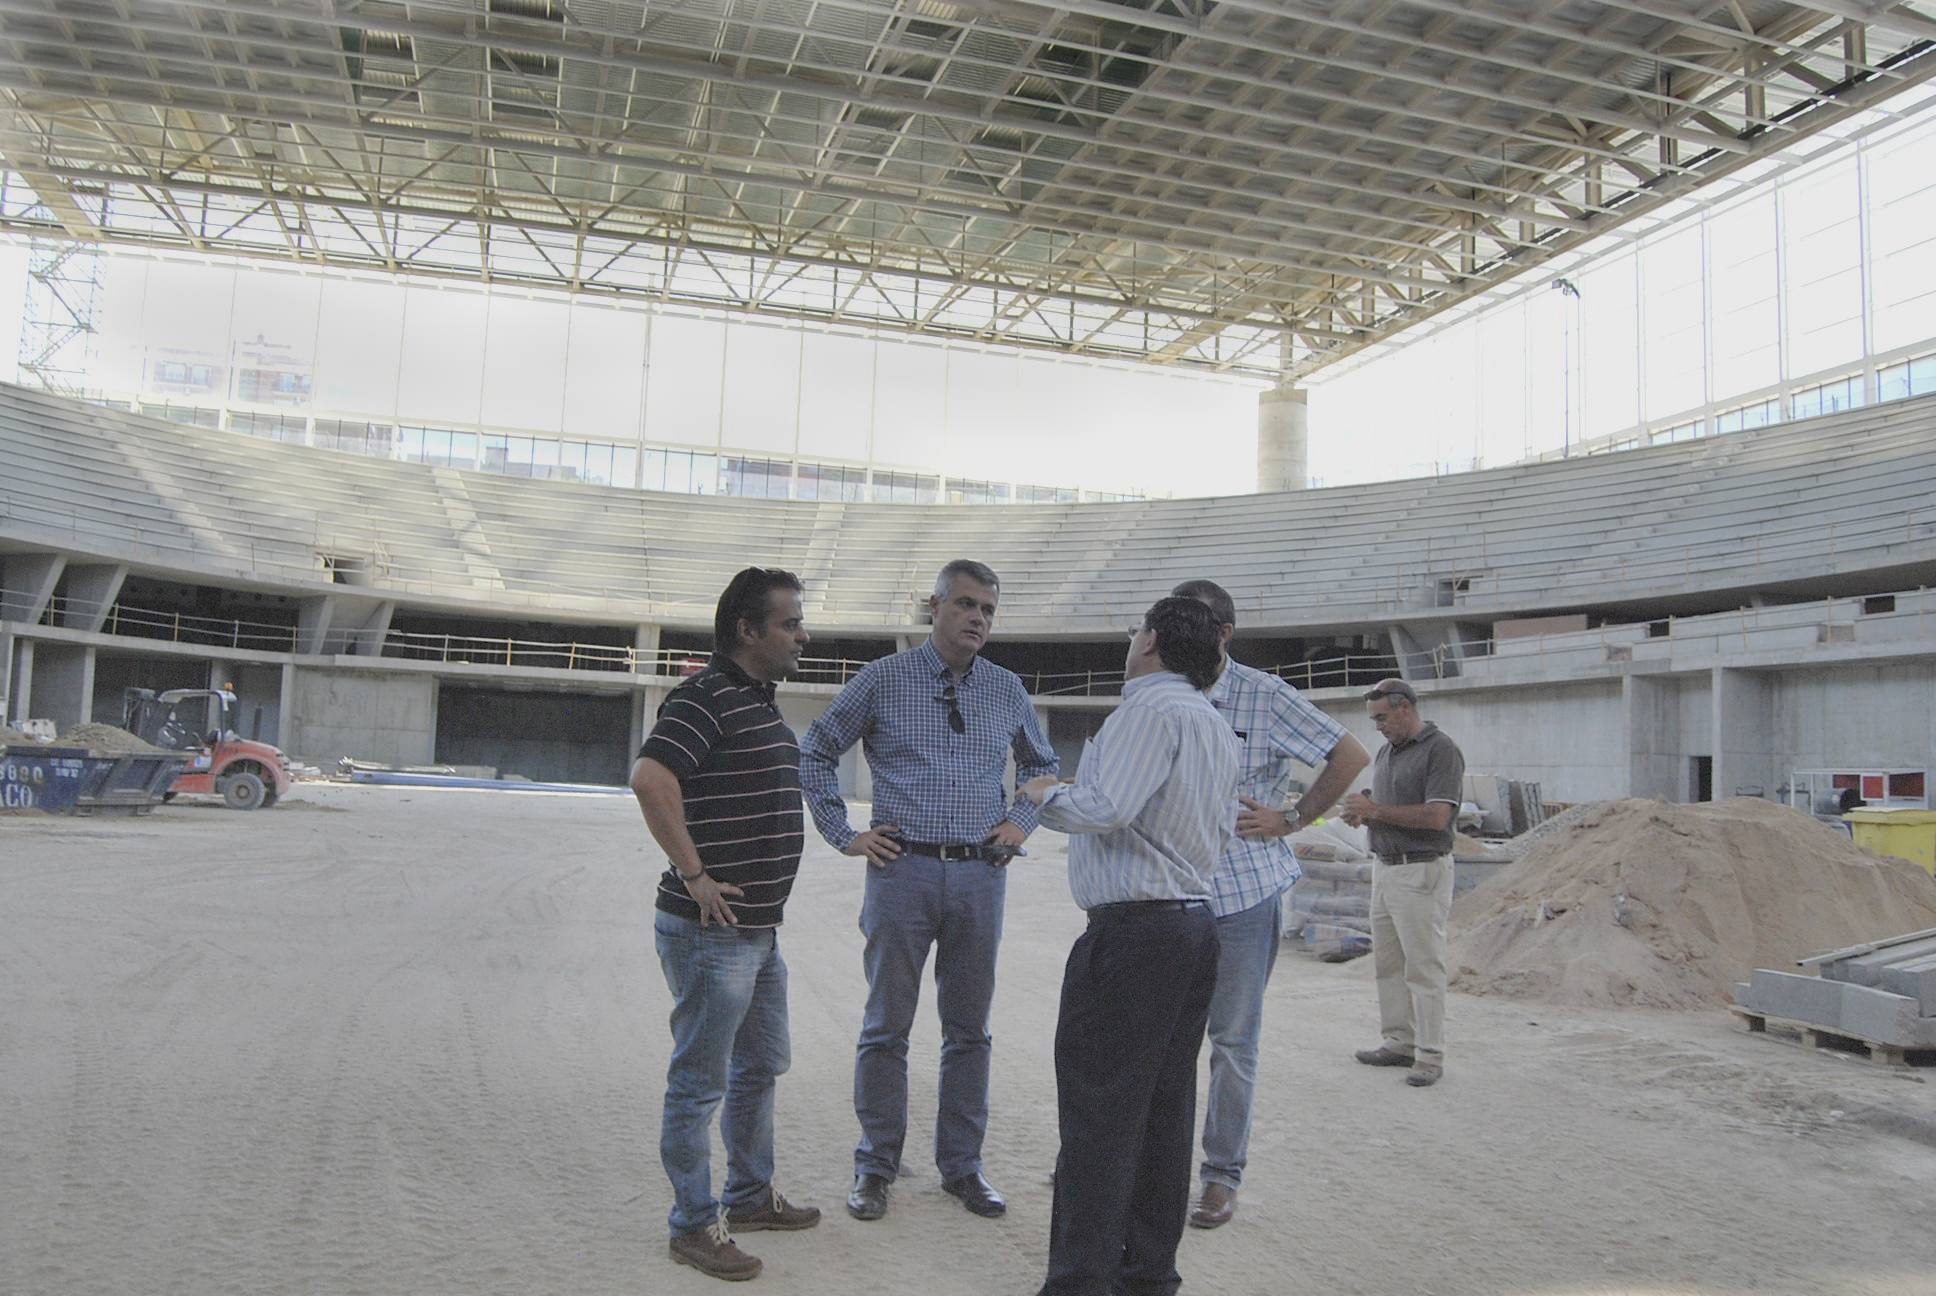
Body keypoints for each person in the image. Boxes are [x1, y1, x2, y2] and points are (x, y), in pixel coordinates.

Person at [799, 558, 1058, 1222]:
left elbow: (1042, 765)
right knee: (887, 1026)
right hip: (902, 871)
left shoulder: (1005, 688)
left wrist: (1019, 822)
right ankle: (876, 1164)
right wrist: (843, 832)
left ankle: (963, 1166)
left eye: (989, 611)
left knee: (970, 1031)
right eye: (967, 604)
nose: (979, 618)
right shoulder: (883, 679)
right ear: (935, 606)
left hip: (980, 874)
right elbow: (818, 748)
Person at [1021, 596, 1239, 1296]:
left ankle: (1080, 1281)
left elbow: (1104, 808)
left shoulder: (1146, 711)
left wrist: (1046, 792)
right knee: (1164, 1111)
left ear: (1149, 640)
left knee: (1099, 1112)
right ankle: (1146, 1273)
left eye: (1133, 631)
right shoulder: (1210, 722)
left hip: (1136, 932)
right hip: (1189, 926)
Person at [630, 567, 821, 1282]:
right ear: (748, 630)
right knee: (700, 1083)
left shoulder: (757, 700)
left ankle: (748, 1195)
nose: (803, 636)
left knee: (761, 1065)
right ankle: (691, 1225)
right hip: (711, 933)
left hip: (757, 934)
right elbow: (651, 777)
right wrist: (693, 873)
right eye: (790, 624)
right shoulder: (704, 695)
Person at [1170, 579, 1370, 1229]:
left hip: (1241, 895)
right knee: (1162, 1039)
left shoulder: (1264, 695)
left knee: (1231, 1040)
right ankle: (1152, 1162)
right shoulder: (1161, 690)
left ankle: (1221, 1176)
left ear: (1224, 634)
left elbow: (1350, 754)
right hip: (1171, 894)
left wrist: (1293, 817)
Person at [1339, 677, 1466, 1089]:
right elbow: (1388, 810)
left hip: (1421, 869)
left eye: (1382, 717)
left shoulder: (1440, 749)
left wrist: (1376, 809)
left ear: (1406, 708)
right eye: (1373, 719)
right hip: (1387, 868)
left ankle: (1430, 1053)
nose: (1378, 725)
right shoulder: (1386, 753)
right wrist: (1365, 815)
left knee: (1423, 966)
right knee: (1389, 964)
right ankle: (1400, 1041)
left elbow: (1436, 818)